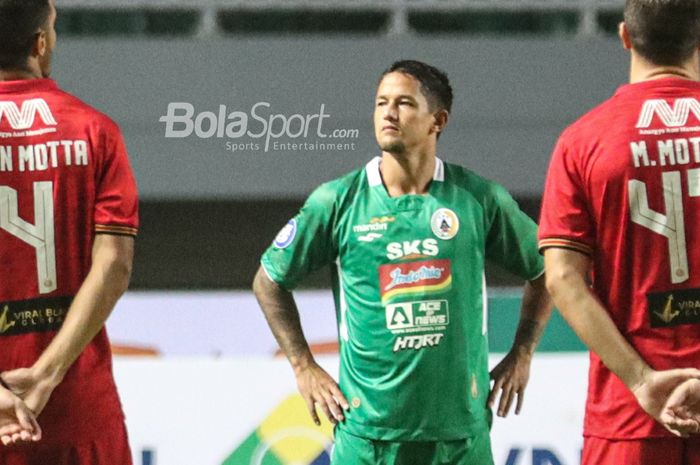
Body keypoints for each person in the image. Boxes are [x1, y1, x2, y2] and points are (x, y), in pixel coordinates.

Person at [253, 59, 553, 465]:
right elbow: (269, 280)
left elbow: (548, 268)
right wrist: (303, 366)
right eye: (381, 103)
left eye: (405, 103)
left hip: (461, 439)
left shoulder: (478, 199)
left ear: (438, 120)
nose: (389, 114)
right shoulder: (338, 201)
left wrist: (523, 351)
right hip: (368, 439)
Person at [539, 0, 700, 463]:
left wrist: (642, 381)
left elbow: (563, 278)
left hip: (628, 420)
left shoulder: (582, 140)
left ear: (625, 37)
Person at [0, 0, 138, 463]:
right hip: (78, 410)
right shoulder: (96, 131)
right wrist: (45, 373)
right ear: (40, 44)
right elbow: (114, 266)